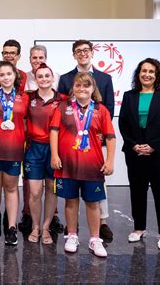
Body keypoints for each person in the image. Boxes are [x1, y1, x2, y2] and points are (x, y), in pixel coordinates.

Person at [50, 72, 115, 258]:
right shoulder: (63, 107)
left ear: (92, 89)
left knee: (93, 203)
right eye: (78, 85)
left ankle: (95, 239)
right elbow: (54, 132)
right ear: (73, 89)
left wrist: (109, 160)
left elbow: (110, 137)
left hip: (92, 165)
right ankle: (72, 235)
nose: (81, 89)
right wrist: (54, 155)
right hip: (67, 164)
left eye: (86, 86)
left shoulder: (101, 110)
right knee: (70, 201)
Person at [57, 39, 115, 241]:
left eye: (85, 50)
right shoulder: (65, 79)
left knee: (96, 186)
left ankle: (102, 223)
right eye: (78, 51)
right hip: (72, 142)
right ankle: (72, 230)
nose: (82, 54)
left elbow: (108, 107)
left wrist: (99, 137)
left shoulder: (105, 78)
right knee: (72, 195)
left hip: (95, 141)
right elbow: (65, 110)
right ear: (74, 55)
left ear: (92, 53)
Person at [118, 58, 160, 250]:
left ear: (157, 74)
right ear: (138, 74)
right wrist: (134, 145)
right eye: (143, 71)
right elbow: (124, 124)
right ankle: (139, 228)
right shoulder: (129, 96)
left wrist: (153, 146)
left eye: (151, 71)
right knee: (137, 192)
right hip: (135, 152)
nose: (147, 74)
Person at [0, 61, 29, 246]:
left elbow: (27, 121)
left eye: (9, 74)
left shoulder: (24, 97)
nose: (6, 77)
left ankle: (11, 227)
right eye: (2, 75)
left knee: (10, 187)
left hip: (14, 149)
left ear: (15, 75)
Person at [20, 45, 63, 235]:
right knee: (35, 192)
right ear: (35, 79)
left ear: (53, 78)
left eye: (47, 76)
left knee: (51, 190)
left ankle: (46, 227)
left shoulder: (63, 100)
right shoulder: (28, 98)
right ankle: (35, 227)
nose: (44, 79)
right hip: (34, 150)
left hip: (55, 151)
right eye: (40, 76)